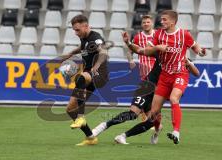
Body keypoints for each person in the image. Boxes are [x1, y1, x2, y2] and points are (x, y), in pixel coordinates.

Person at [122, 10, 206, 144]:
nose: (161, 22)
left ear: (173, 21)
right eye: (161, 19)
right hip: (164, 76)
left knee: (174, 98)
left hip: (180, 74)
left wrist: (202, 52)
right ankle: (156, 131)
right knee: (154, 112)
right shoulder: (159, 34)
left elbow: (197, 49)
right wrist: (156, 48)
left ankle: (176, 132)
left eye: (165, 19)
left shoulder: (184, 35)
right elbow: (147, 50)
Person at [92, 15, 163, 144]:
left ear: (152, 24)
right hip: (147, 82)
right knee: (133, 113)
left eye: (148, 22)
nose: (146, 24)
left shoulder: (162, 42)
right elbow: (135, 50)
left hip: (158, 90)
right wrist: (130, 57)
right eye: (144, 22)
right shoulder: (142, 39)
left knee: (155, 123)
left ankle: (153, 133)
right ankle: (105, 126)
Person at [60, 14, 112, 146]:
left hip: (100, 74)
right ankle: (90, 137)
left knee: (82, 77)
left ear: (86, 26)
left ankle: (81, 117)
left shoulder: (95, 38)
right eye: (74, 30)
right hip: (90, 75)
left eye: (77, 30)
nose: (75, 32)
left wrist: (96, 65)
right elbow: (82, 48)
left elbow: (103, 52)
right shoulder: (84, 38)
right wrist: (70, 54)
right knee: (70, 109)